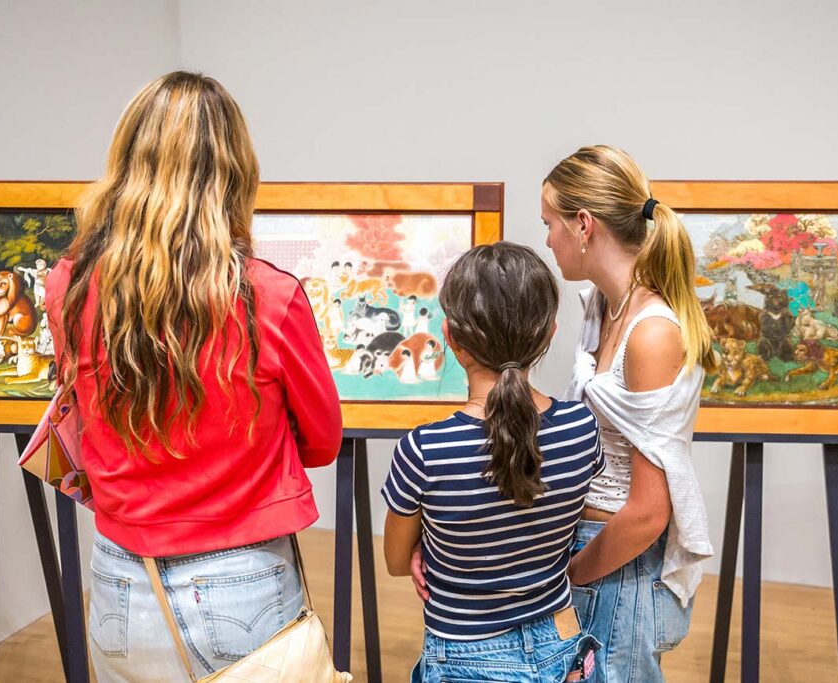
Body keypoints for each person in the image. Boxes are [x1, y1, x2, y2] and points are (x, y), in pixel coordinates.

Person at [45, 71, 342, 681]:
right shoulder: (270, 296)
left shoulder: (69, 287)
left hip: (120, 580)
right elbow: (322, 441)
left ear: (126, 163)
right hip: (246, 579)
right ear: (235, 173)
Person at [383, 242, 604, 683]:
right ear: (549, 334)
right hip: (563, 644)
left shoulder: (424, 450)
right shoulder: (582, 428)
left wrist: (425, 548)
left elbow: (394, 559)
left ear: (450, 337)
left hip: (464, 654)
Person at [541, 145, 715, 681]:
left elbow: (647, 512)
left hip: (618, 561)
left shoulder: (652, 333)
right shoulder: (603, 306)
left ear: (584, 225)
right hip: (594, 550)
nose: (547, 239)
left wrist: (570, 577)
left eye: (550, 223)